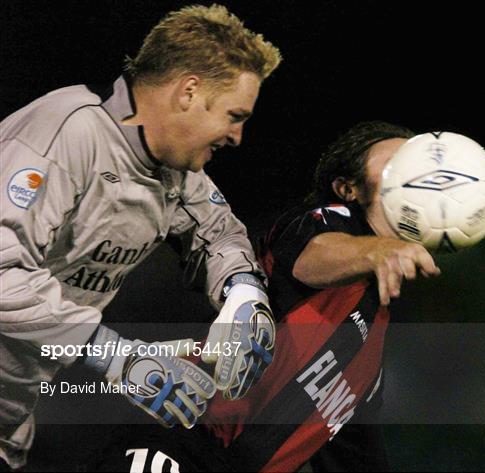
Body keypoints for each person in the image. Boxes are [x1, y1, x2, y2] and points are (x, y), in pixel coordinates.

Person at [0, 4, 281, 470]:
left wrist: (244, 295)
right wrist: (114, 355)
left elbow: (219, 234)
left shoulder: (172, 170)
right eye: (235, 115)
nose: (238, 136)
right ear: (190, 91)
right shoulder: (67, 131)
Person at [89, 121, 442, 472]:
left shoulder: (368, 356)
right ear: (348, 188)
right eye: (397, 161)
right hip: (179, 439)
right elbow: (310, 260)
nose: (414, 170)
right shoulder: (313, 225)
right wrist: (379, 251)